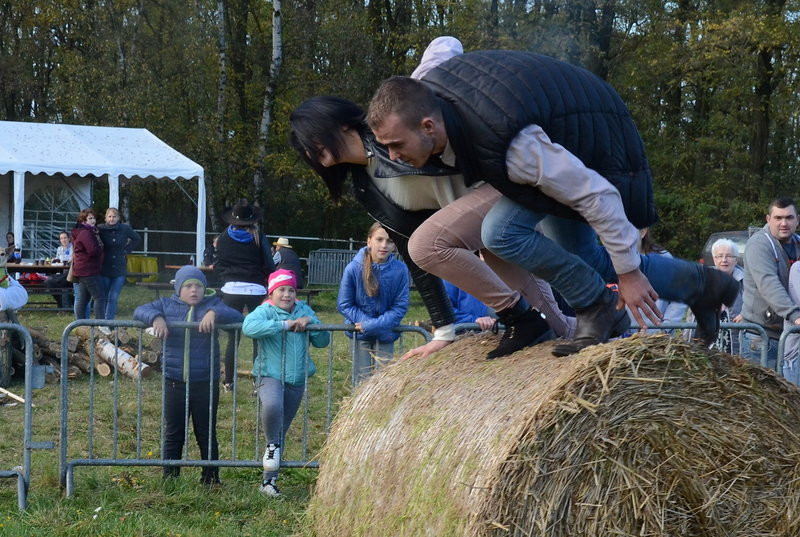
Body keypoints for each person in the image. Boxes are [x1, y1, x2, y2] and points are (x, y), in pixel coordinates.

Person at [366, 36, 737, 356]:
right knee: (589, 257)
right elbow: (445, 45)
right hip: (561, 134)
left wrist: (630, 272)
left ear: (428, 126)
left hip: (598, 142)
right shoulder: (425, 91)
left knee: (500, 233)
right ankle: (707, 285)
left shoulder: (513, 145)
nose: (393, 157)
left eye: (396, 145)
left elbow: (597, 195)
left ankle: (596, 304)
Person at [289, 95, 572, 361]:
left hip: (499, 192)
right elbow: (412, 254)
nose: (308, 149)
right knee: (558, 324)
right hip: (479, 227)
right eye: (302, 146)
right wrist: (444, 331)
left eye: (311, 136)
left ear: (340, 123)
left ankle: (518, 317)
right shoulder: (366, 187)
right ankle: (604, 336)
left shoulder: (392, 134)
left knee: (425, 244)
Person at [133, 266, 243, 485]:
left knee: (206, 433)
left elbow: (237, 316)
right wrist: (156, 318)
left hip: (205, 382)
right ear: (178, 288)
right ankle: (170, 479)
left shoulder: (213, 305)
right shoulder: (165, 305)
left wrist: (215, 313)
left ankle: (211, 478)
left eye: (198, 286)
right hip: (175, 382)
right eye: (188, 286)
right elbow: (139, 310)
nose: (194, 291)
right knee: (174, 433)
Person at [241, 269, 330, 497]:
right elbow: (248, 327)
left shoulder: (304, 310)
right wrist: (285, 325)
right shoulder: (265, 310)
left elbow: (323, 341)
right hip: (269, 375)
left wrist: (310, 321)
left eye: (291, 290)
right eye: (281, 289)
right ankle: (271, 447)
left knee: (281, 428)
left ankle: (268, 483)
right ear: (272, 293)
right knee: (272, 407)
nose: (287, 294)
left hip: (296, 379)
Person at [214, 199, 276, 391]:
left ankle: (228, 382)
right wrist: (268, 281)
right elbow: (268, 263)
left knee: (233, 337)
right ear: (252, 220)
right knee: (258, 335)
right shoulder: (258, 236)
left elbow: (219, 264)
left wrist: (225, 280)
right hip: (256, 289)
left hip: (231, 289)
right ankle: (258, 382)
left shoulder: (223, 238)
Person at [337, 223, 410, 384]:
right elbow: (344, 303)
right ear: (369, 241)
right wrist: (366, 323)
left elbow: (400, 306)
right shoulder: (353, 268)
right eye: (379, 239)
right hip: (359, 333)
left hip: (385, 333)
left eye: (390, 241)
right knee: (361, 382)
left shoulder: (401, 270)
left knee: (382, 383)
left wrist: (374, 325)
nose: (384, 245)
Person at [741, 197, 800, 370]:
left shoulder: (797, 243)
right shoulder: (758, 245)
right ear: (768, 219)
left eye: (789, 218)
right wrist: (796, 316)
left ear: (797, 219)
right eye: (778, 218)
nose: (784, 223)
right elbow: (769, 284)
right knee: (762, 395)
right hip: (762, 338)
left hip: (791, 336)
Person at [626, 228, 687, 336]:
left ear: (643, 232)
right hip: (623, 341)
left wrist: (664, 328)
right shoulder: (612, 259)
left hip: (658, 340)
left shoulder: (663, 259)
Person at [98, 208, 141, 320]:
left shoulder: (124, 229)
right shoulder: (100, 229)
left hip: (119, 267)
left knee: (113, 297)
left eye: (114, 217)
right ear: (106, 218)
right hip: (104, 267)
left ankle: (109, 322)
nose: (112, 219)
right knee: (104, 296)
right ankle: (101, 322)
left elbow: (136, 239)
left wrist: (126, 250)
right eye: (109, 217)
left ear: (118, 218)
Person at [71, 209, 105, 320]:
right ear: (83, 220)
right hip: (88, 270)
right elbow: (92, 251)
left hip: (83, 269)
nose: (93, 220)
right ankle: (101, 324)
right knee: (99, 297)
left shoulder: (89, 231)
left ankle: (80, 324)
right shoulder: (86, 233)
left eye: (94, 218)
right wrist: (101, 249)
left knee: (84, 299)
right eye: (90, 218)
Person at [43, 231, 75, 309]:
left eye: (65, 238)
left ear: (69, 239)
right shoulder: (59, 248)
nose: (63, 240)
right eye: (61, 238)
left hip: (70, 273)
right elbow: (58, 259)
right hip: (60, 272)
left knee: (50, 282)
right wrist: (55, 260)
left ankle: (63, 304)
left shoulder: (73, 247)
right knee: (49, 282)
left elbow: (71, 260)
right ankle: (61, 302)